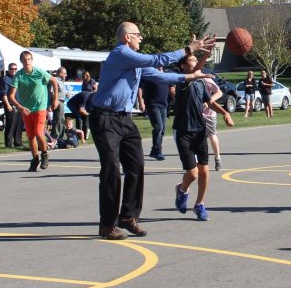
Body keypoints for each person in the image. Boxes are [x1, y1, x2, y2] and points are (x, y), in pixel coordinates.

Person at [89, 22, 214, 240]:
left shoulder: (134, 62)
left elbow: (159, 75)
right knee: (111, 170)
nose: (142, 38)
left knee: (136, 166)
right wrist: (188, 49)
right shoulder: (121, 53)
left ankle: (128, 217)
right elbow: (157, 60)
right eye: (138, 35)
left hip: (124, 119)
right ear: (127, 37)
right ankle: (107, 225)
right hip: (104, 118)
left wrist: (188, 77)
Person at [172, 53, 215, 221]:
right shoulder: (182, 81)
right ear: (183, 66)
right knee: (193, 173)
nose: (196, 63)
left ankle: (199, 204)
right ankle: (182, 189)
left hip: (200, 130)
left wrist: (225, 113)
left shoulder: (200, 82)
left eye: (197, 60)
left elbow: (210, 102)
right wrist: (206, 53)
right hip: (183, 131)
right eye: (192, 60)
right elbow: (196, 71)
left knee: (204, 171)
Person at [8, 51, 59, 172]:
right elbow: (11, 95)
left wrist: (55, 98)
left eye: (29, 59)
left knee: (38, 132)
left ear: (32, 60)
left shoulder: (39, 72)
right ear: (21, 61)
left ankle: (45, 154)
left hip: (40, 107)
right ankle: (35, 158)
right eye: (24, 59)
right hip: (26, 109)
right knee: (30, 135)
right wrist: (20, 107)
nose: (27, 62)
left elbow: (54, 81)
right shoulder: (19, 75)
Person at [139, 66, 172, 161]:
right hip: (152, 104)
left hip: (163, 105)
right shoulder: (148, 75)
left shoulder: (165, 76)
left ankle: (155, 150)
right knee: (158, 126)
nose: (160, 66)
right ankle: (157, 151)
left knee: (163, 129)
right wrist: (141, 102)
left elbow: (171, 89)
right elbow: (140, 89)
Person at [0, 63, 23, 148]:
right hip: (10, 104)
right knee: (11, 124)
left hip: (19, 104)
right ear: (8, 69)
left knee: (19, 124)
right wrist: (8, 105)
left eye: (15, 69)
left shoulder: (18, 78)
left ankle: (18, 142)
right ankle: (9, 143)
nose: (13, 70)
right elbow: (4, 94)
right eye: (11, 69)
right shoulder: (5, 79)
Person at [52, 67, 68, 138]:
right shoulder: (55, 80)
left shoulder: (61, 81)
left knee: (61, 119)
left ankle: (60, 135)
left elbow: (59, 91)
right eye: (65, 73)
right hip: (58, 101)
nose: (66, 75)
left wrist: (66, 94)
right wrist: (56, 100)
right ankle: (57, 136)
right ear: (61, 73)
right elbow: (52, 92)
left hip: (61, 101)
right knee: (58, 119)